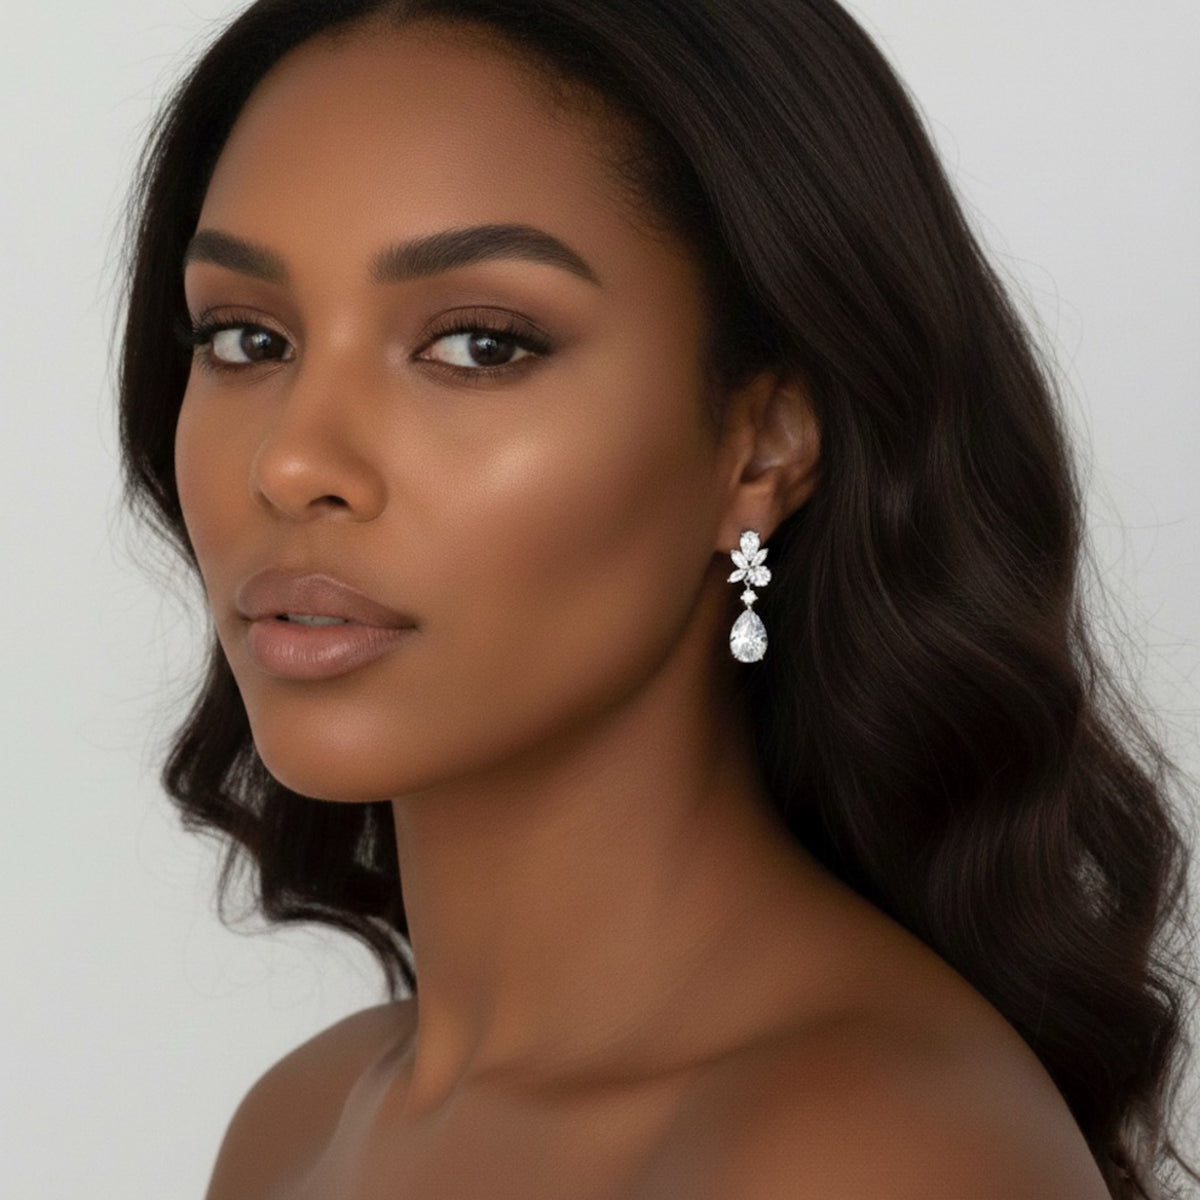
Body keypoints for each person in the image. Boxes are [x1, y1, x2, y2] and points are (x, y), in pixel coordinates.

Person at [116, 1, 1199, 1196]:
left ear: (761, 447)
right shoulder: (299, 1125)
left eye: (479, 344)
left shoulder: (872, 1157)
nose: (290, 462)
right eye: (244, 339)